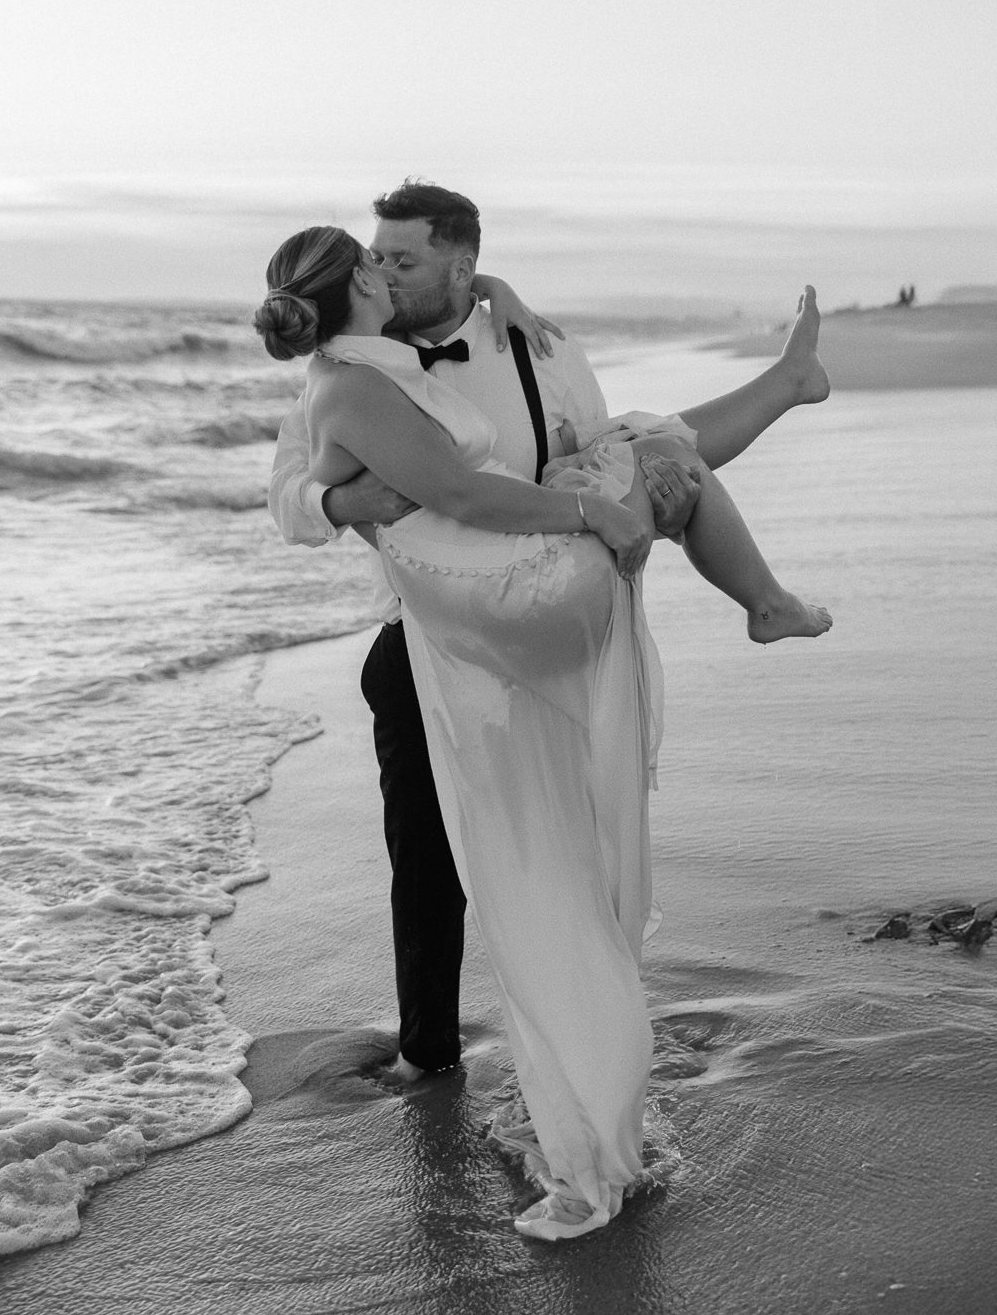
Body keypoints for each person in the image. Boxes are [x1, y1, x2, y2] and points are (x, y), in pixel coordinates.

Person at [260, 212, 831, 1240]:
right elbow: (294, 498)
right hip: (437, 620)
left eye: (406, 254)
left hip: (520, 590)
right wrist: (339, 501)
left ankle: (581, 1038)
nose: (389, 267)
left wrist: (620, 496)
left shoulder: (533, 344)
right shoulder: (362, 375)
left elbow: (569, 447)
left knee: (652, 452)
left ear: (462, 265)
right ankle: (431, 1048)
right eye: (378, 258)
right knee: (433, 857)